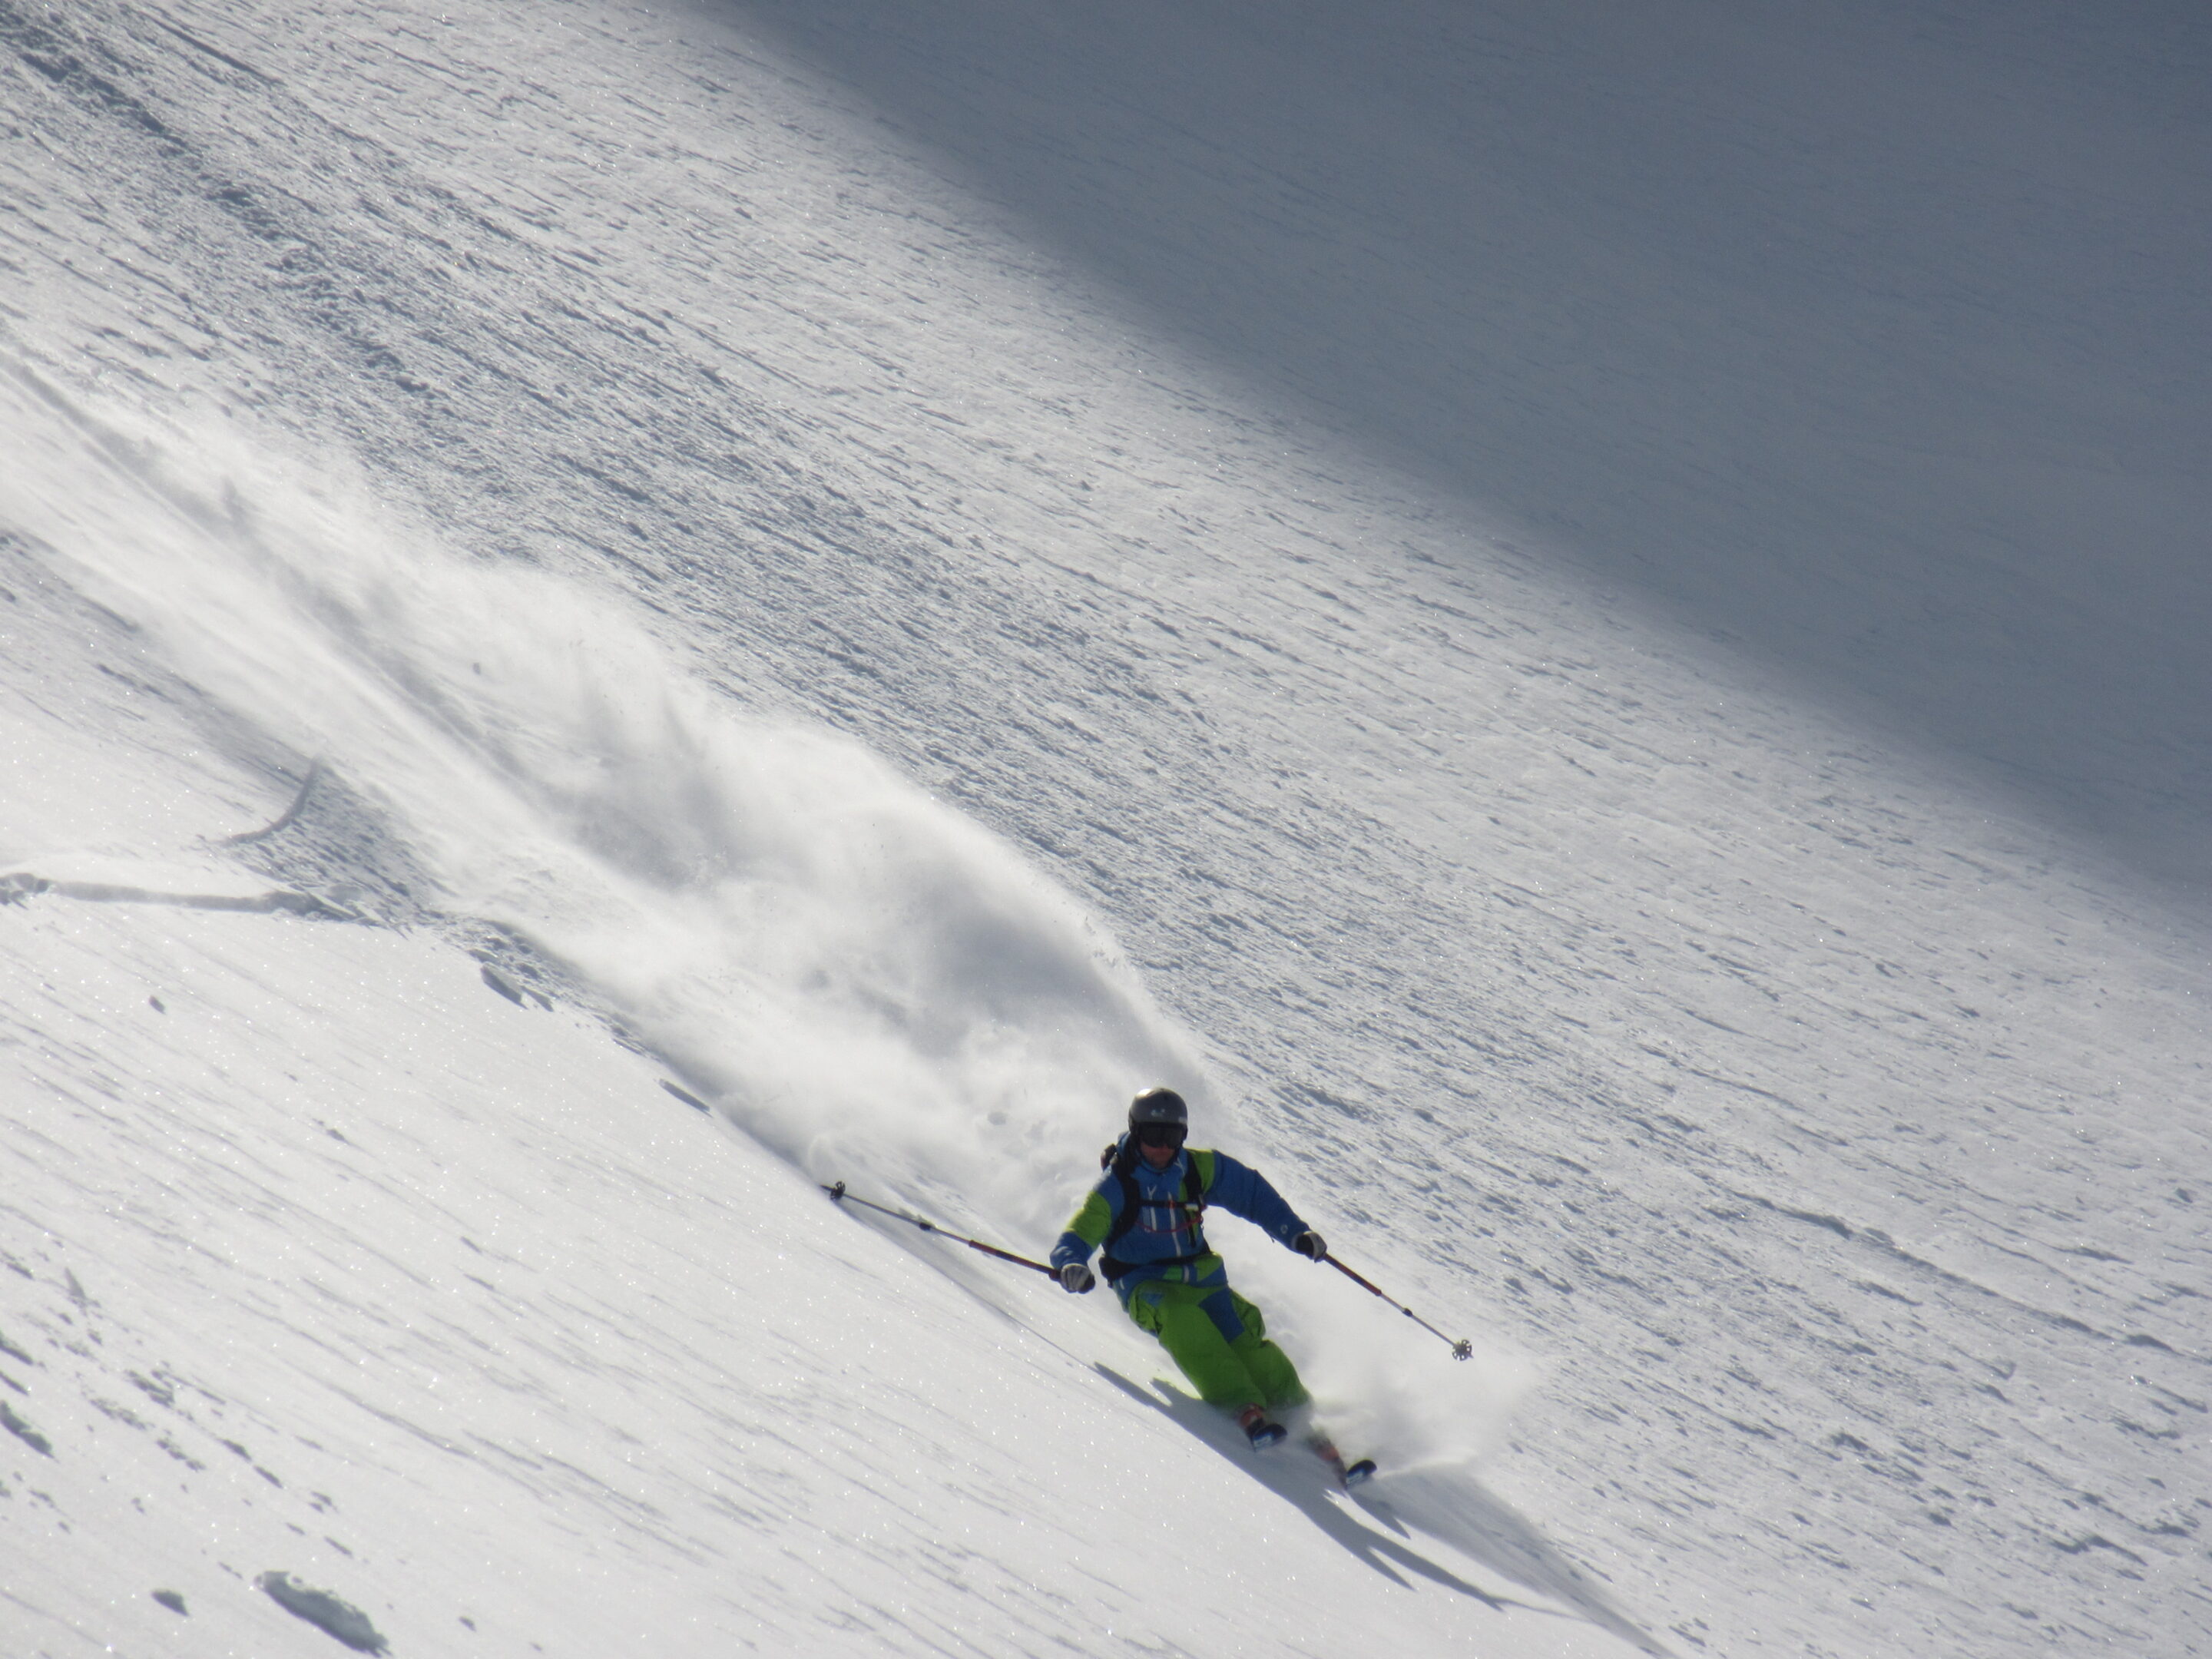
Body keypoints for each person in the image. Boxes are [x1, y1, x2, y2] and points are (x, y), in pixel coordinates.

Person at [1051, 1086, 1329, 1449]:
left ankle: (1303, 1418)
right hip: (1146, 1287)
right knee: (1186, 1324)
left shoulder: (1196, 1168)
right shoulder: (1117, 1186)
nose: (1164, 1147)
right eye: (1154, 1135)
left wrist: (1295, 1233)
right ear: (1135, 1132)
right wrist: (1071, 1263)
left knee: (1246, 1342)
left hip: (1205, 1282)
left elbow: (1252, 1192)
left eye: (1173, 1136)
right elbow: (1079, 1232)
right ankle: (1244, 1407)